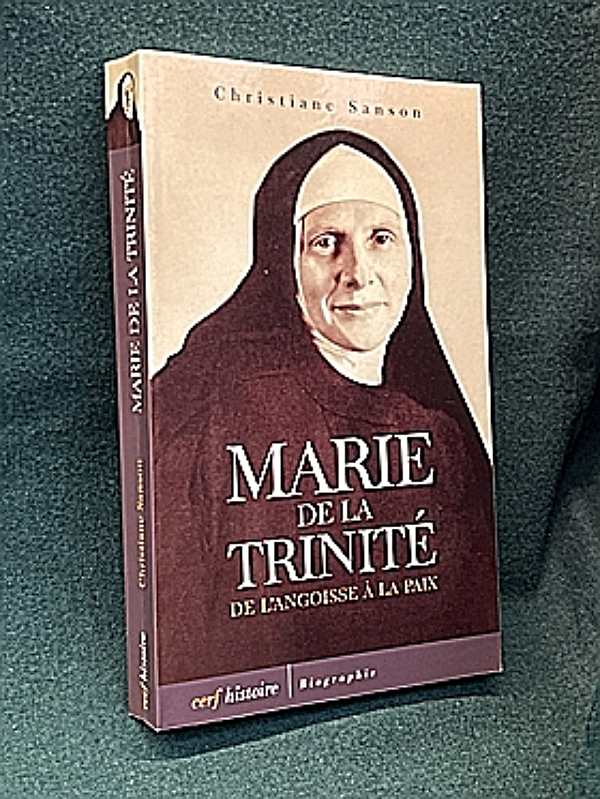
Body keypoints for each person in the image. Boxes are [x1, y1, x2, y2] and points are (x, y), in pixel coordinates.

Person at [153, 130, 499, 684]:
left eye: (381, 238)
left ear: (413, 257)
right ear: (285, 264)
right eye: (325, 242)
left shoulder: (439, 438)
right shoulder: (219, 417)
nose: (357, 272)